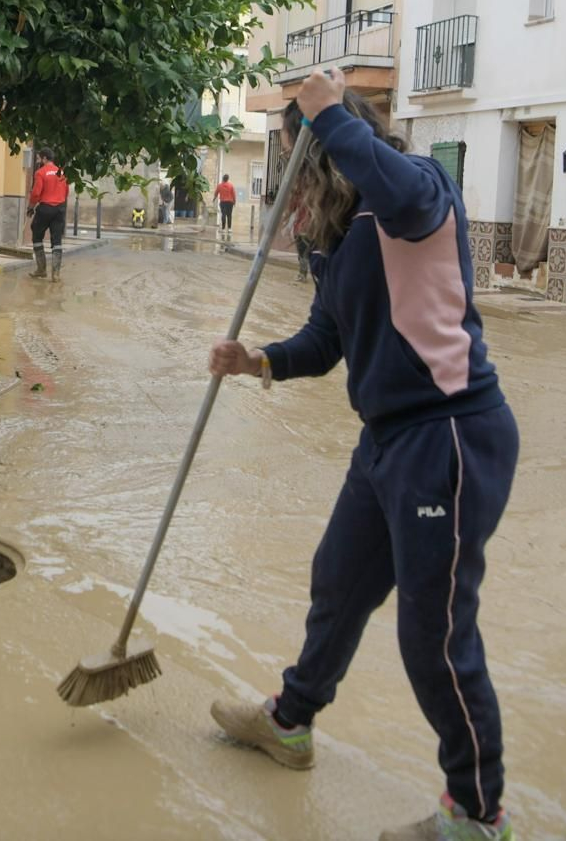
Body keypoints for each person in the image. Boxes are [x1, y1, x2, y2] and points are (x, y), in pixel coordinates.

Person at [208, 69, 519, 841]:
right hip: (386, 440)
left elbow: (385, 176)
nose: (291, 192)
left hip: (448, 437)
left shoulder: (414, 194)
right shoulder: (343, 242)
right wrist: (258, 361)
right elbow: (326, 341)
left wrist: (325, 114)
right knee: (338, 582)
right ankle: (291, 722)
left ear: (324, 155)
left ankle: (478, 814)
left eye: (294, 166)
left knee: (434, 634)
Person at [27, 147, 69, 282]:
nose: (38, 161)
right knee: (57, 240)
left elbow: (36, 193)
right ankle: (55, 274)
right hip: (60, 209)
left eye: (39, 158)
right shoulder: (61, 172)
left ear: (45, 158)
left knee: (37, 234)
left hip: (45, 208)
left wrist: (31, 207)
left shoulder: (40, 172)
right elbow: (66, 192)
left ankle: (41, 269)